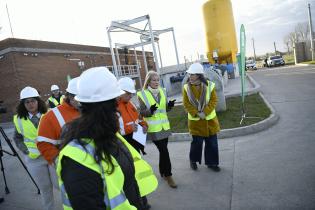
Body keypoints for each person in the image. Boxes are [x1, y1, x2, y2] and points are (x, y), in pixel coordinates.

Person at [56, 67, 157, 210]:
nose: (118, 109)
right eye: (116, 103)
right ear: (109, 106)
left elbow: (127, 183)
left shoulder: (109, 135)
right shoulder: (77, 158)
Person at [12, 86, 56, 210]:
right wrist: (25, 151)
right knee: (44, 188)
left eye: (33, 101)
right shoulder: (18, 119)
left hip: (52, 156)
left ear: (38, 101)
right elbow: (17, 138)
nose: (30, 104)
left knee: (59, 185)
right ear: (23, 104)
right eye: (27, 102)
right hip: (34, 160)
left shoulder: (50, 114)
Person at [137, 70, 177, 188]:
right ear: (148, 81)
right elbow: (142, 113)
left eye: (158, 80)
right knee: (165, 151)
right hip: (154, 129)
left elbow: (164, 109)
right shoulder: (142, 94)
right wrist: (150, 111)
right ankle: (169, 175)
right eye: (154, 80)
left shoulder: (163, 91)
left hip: (164, 127)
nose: (156, 82)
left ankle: (162, 172)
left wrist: (169, 107)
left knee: (162, 151)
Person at [182, 63, 221, 172]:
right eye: (189, 74)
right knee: (196, 144)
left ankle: (212, 163)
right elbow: (186, 104)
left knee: (212, 144)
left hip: (210, 121)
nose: (190, 76)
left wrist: (205, 112)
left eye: (192, 74)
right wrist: (196, 113)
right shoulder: (186, 87)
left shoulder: (210, 85)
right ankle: (193, 160)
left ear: (199, 75)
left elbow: (214, 100)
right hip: (195, 122)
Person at [37, 78, 80, 167]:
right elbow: (43, 143)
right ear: (70, 96)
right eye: (79, 98)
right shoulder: (49, 117)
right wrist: (60, 162)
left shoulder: (92, 109)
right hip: (72, 166)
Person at [117, 77, 148, 154]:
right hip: (123, 142)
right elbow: (113, 130)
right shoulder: (113, 107)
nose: (131, 96)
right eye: (128, 93)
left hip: (135, 139)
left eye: (131, 93)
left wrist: (144, 124)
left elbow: (138, 118)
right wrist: (130, 128)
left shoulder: (131, 104)